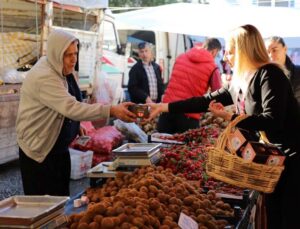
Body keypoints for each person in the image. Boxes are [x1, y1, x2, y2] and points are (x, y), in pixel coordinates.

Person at [147, 24, 300, 229]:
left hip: (292, 157)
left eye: (230, 51)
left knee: (289, 217)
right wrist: (163, 107)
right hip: (270, 159)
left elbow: (273, 120)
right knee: (274, 216)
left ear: (244, 50)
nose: (225, 56)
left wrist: (230, 116)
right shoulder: (240, 80)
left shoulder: (270, 75)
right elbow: (203, 101)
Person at [16, 29, 137, 196]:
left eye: (75, 53)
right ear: (56, 53)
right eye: (68, 55)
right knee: (42, 206)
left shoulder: (61, 68)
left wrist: (75, 124)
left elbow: (74, 98)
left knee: (61, 200)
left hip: (58, 149)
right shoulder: (44, 77)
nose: (74, 59)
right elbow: (70, 107)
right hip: (40, 152)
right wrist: (111, 110)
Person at [157, 38, 222, 133]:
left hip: (167, 110)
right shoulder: (213, 67)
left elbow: (174, 81)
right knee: (184, 147)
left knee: (162, 145)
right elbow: (218, 95)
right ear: (214, 51)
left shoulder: (181, 57)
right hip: (188, 116)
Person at [265, 36, 300, 112]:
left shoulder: (298, 73)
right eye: (268, 52)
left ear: (285, 49)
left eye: (274, 50)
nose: (271, 55)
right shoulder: (264, 77)